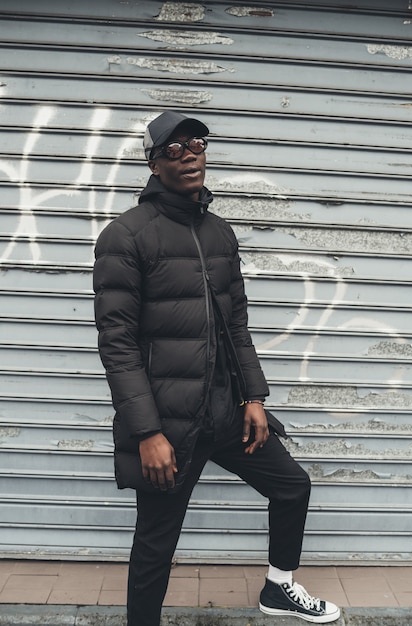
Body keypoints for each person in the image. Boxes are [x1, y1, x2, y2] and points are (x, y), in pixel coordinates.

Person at [93, 111, 340, 625]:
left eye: (196, 144)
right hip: (170, 426)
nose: (188, 155)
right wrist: (148, 432)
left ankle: (279, 588)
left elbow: (238, 326)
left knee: (292, 486)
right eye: (174, 148)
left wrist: (253, 398)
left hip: (226, 414)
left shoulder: (220, 232)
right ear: (154, 163)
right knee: (156, 546)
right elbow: (118, 346)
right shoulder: (125, 237)